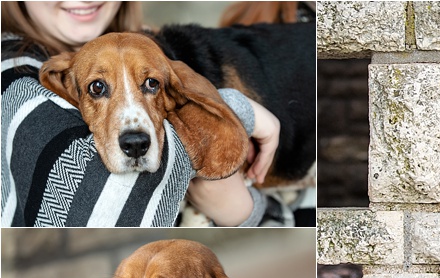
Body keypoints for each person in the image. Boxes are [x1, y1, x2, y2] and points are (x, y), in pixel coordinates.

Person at [1, 1, 286, 226]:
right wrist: (237, 109)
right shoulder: (15, 77)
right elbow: (94, 194)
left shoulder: (151, 45)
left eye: (151, 84)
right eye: (98, 88)